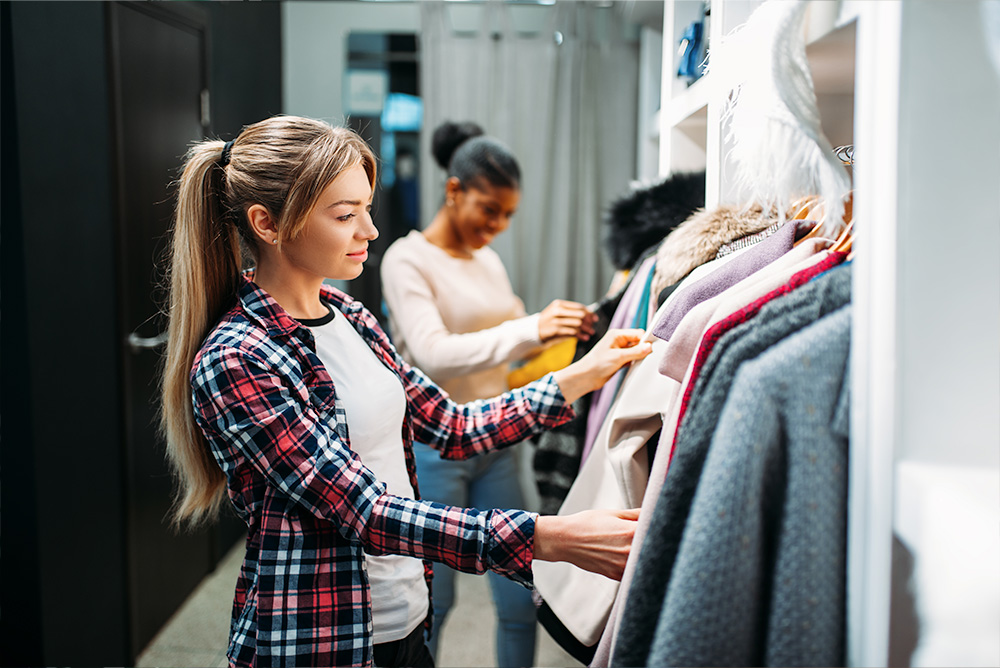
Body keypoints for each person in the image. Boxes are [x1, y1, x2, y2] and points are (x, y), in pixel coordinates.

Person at [159, 115, 652, 668]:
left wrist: (584, 373)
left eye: (366, 210)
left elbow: (452, 425)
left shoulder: (350, 316)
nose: (369, 231)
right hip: (321, 638)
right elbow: (365, 511)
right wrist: (548, 537)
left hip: (405, 616)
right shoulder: (237, 360)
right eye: (346, 215)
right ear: (267, 224)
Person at [380, 120, 597, 667]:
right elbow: (435, 351)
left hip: (496, 447)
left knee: (522, 594)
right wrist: (532, 327)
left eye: (508, 216)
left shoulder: (489, 261)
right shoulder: (407, 260)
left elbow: (509, 348)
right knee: (433, 602)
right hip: (433, 452)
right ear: (454, 191)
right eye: (489, 209)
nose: (497, 226)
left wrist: (571, 330)